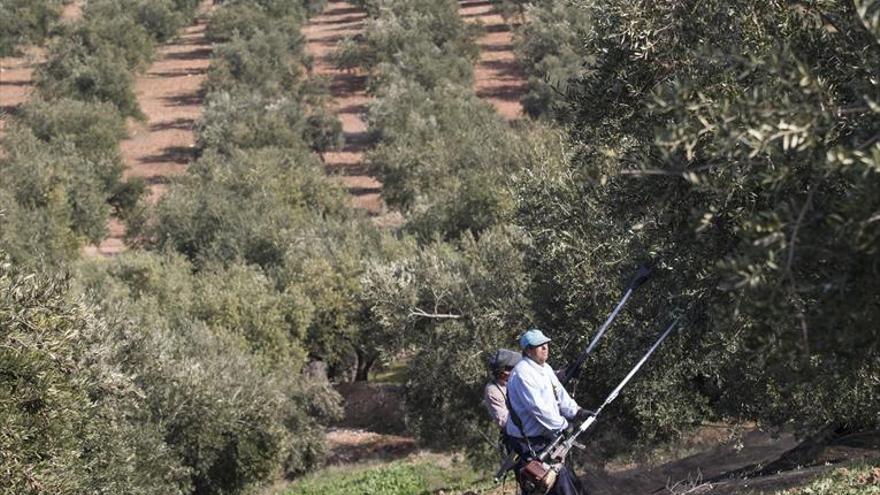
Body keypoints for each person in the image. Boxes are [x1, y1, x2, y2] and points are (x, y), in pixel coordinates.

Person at [505, 329, 589, 495]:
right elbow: (540, 409)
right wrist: (564, 425)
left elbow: (560, 395)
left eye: (546, 344)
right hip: (528, 441)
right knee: (548, 481)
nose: (545, 348)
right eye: (539, 345)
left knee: (562, 478)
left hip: (545, 437)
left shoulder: (545, 368)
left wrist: (577, 412)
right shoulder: (523, 374)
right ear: (528, 350)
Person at [484, 348, 522, 429]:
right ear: (503, 372)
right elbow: (504, 421)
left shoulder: (519, 379)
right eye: (513, 367)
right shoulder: (493, 391)